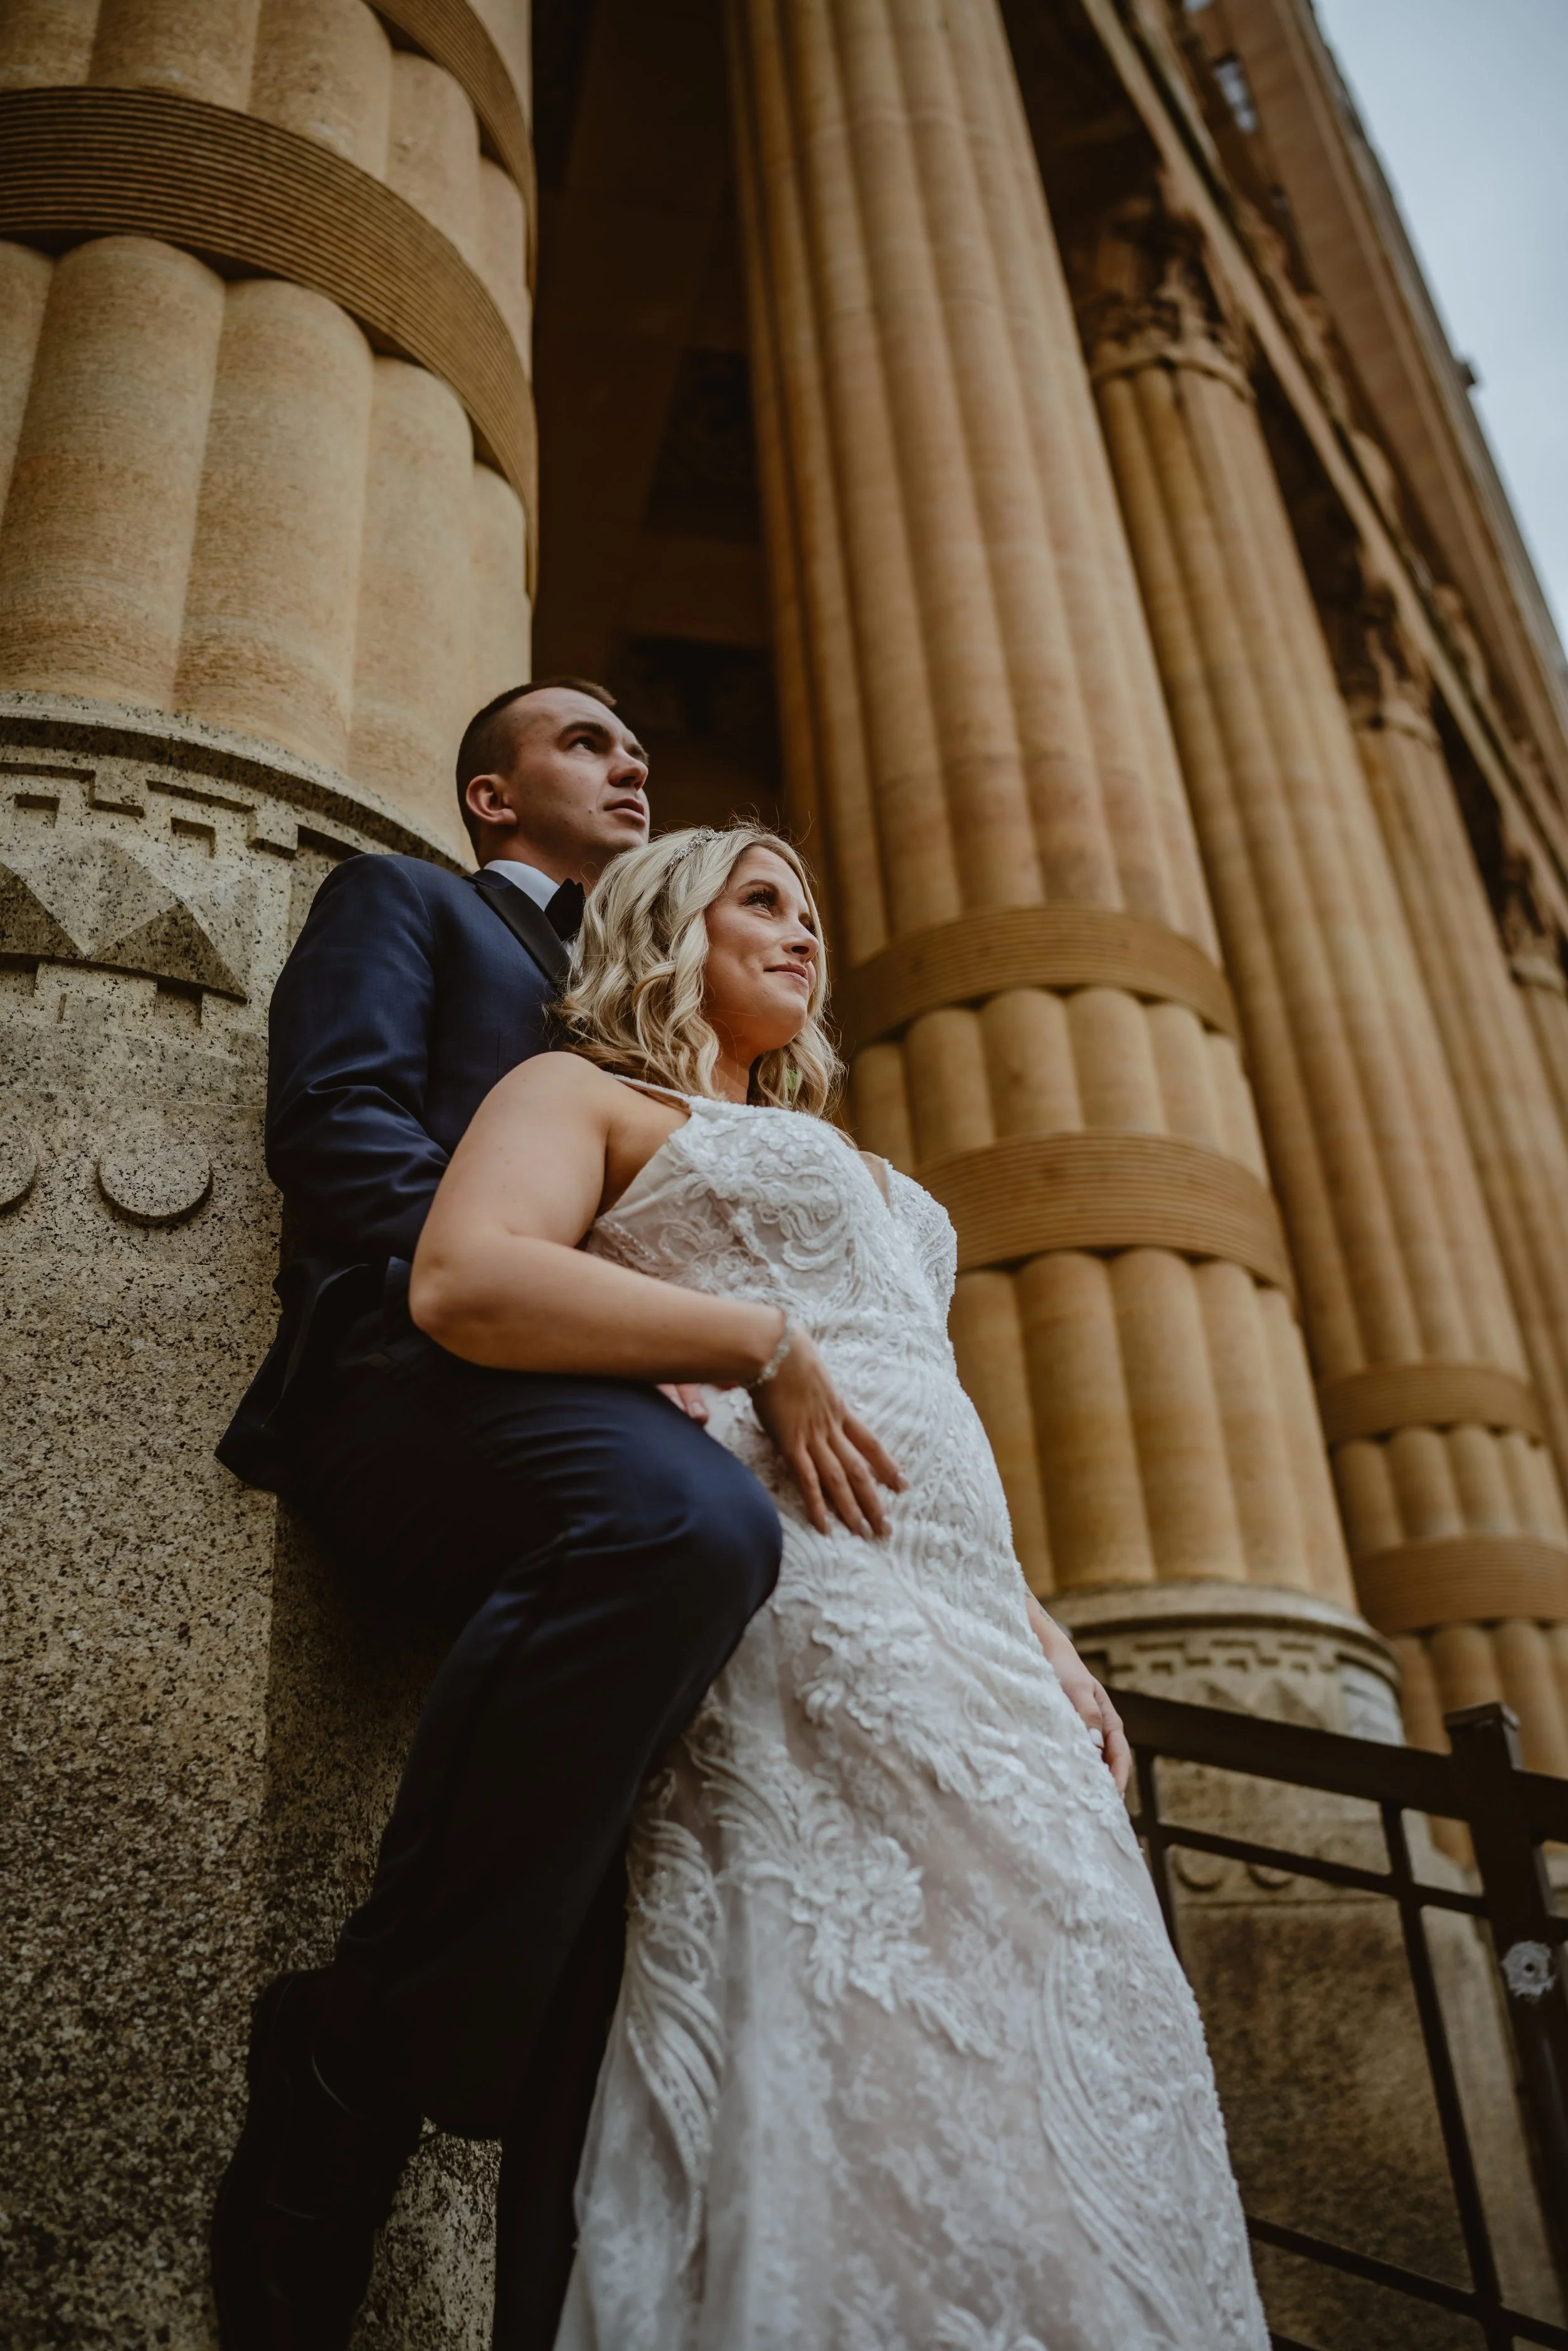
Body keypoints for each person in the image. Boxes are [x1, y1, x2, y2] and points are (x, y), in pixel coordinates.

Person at [410, 823, 1271, 2350]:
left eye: (809, 910)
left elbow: (930, 1409)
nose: (802, 934)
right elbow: (465, 1278)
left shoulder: (876, 1166)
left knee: (1068, 2004)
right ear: (669, 923)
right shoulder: (583, 1094)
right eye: (761, 902)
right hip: (806, 1587)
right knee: (860, 1993)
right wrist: (756, 1342)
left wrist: (1040, 1627)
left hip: (977, 1619)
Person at [210, 685, 783, 2351]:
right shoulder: (410, 904)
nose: (629, 763)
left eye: (635, 749)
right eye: (582, 743)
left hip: (640, 1424)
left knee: (628, 1907)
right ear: (489, 794)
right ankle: (355, 2045)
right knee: (686, 1535)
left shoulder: (671, 1023)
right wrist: (576, 1306)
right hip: (415, 1379)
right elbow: (340, 1132)